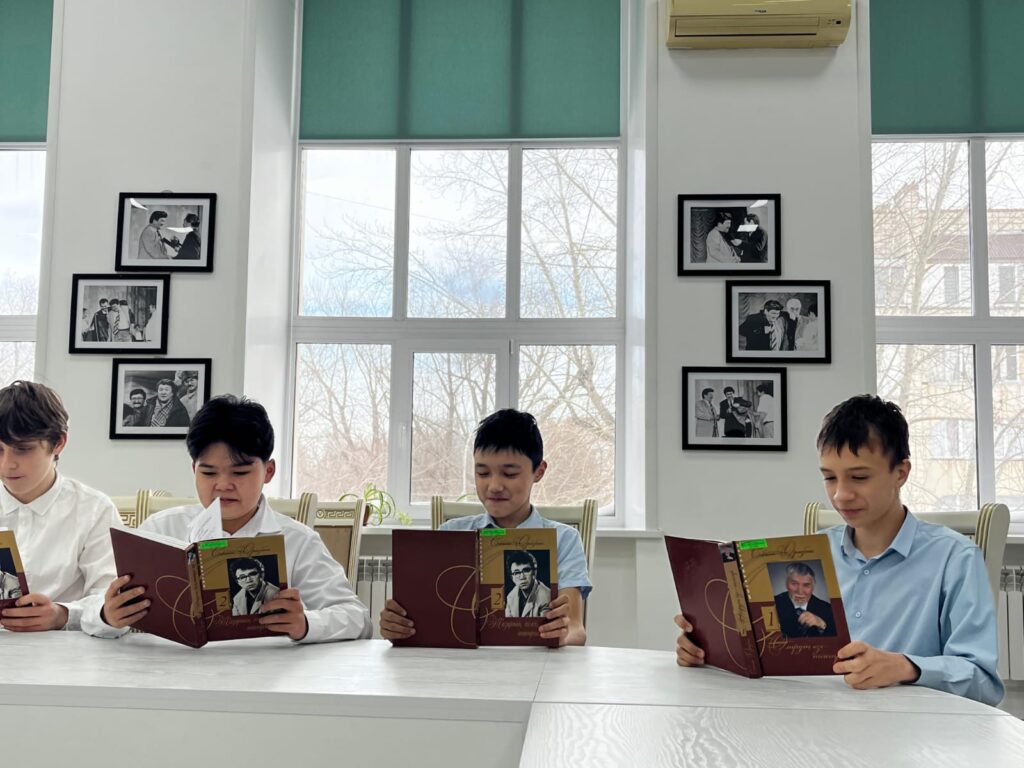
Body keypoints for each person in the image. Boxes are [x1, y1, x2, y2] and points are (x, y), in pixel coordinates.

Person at [674, 395, 1004, 706]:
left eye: (858, 477)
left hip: (909, 728)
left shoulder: (954, 558)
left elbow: (983, 682)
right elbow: (779, 657)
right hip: (814, 718)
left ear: (901, 473)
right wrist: (711, 650)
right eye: (830, 478)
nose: (841, 495)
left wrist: (906, 667)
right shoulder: (807, 555)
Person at [99, 395, 371, 643]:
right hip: (172, 668)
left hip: (265, 672)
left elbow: (357, 618)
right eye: (208, 473)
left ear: (268, 471)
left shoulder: (297, 540)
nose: (223, 485)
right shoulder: (159, 530)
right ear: (194, 469)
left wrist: (306, 624)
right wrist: (108, 616)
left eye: (240, 473)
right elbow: (98, 606)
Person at [379, 409, 592, 646]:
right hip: (460, 663)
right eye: (482, 473)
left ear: (539, 472)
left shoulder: (563, 539)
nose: (494, 486)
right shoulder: (452, 533)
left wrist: (563, 635)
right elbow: (427, 618)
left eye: (509, 474)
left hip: (534, 663)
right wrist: (398, 625)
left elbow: (576, 629)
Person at [0, 381, 123, 636]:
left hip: (64, 652)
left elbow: (111, 600)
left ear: (58, 443)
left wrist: (63, 614)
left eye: (23, 449)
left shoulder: (94, 510)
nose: (7, 464)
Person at [772, 562, 836, 638]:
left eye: (806, 585)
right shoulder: (772, 605)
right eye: (794, 584)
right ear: (786, 584)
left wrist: (822, 625)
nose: (800, 591)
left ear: (813, 586)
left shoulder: (828, 609)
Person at [504, 550, 551, 618]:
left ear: (534, 572)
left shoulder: (546, 597)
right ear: (512, 577)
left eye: (526, 570)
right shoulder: (510, 597)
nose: (522, 577)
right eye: (517, 573)